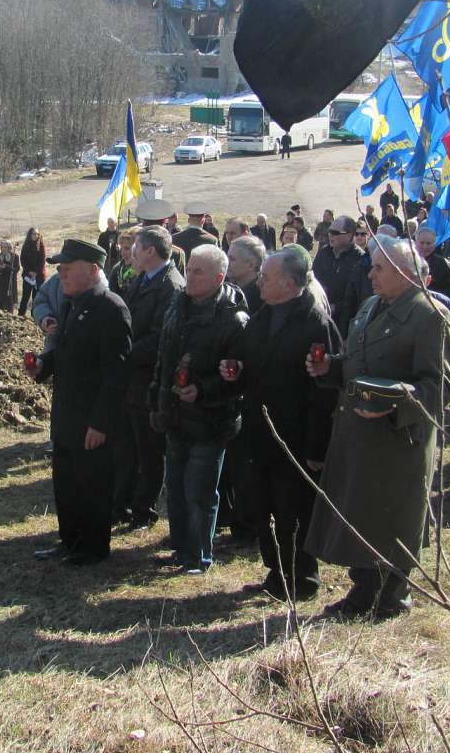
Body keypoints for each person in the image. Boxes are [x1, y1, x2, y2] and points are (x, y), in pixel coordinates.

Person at [305, 234, 450, 619]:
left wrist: (394, 403)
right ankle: (364, 590)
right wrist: (331, 368)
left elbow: (439, 387)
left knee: (394, 517)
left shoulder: (430, 315)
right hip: (358, 432)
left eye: (378, 268)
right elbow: (359, 360)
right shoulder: (371, 306)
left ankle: (392, 597)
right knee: (363, 513)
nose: (370, 274)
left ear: (406, 272)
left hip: (399, 438)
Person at [222, 248, 340, 602]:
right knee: (264, 507)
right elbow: (246, 364)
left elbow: (325, 392)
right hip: (260, 431)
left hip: (296, 435)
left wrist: (317, 447)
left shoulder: (315, 323)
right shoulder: (262, 317)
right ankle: (277, 571)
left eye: (266, 277)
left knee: (294, 510)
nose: (259, 281)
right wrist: (234, 372)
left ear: (289, 284)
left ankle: (302, 578)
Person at [27, 238, 131, 565]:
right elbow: (67, 351)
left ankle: (93, 548)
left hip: (91, 421)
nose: (62, 276)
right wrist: (45, 365)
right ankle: (70, 541)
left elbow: (117, 373)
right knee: (67, 486)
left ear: (93, 270)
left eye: (68, 270)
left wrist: (101, 423)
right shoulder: (72, 303)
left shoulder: (111, 309)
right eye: (60, 269)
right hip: (66, 415)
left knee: (93, 486)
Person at [150, 245, 248, 574]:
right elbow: (162, 360)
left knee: (200, 491)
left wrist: (203, 391)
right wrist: (157, 399)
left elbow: (237, 378)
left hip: (210, 421)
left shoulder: (233, 319)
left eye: (198, 272)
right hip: (175, 415)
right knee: (175, 489)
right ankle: (181, 548)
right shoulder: (177, 307)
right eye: (189, 269)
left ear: (219, 278)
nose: (189, 276)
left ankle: (199, 555)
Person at [117, 226, 184, 528]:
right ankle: (124, 504)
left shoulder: (171, 286)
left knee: (149, 451)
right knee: (129, 448)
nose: (131, 251)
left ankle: (144, 510)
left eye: (137, 246)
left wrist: (123, 351)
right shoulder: (143, 277)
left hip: (150, 382)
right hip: (131, 380)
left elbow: (161, 339)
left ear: (150, 252)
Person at [313, 215, 364, 333]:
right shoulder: (324, 253)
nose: (330, 235)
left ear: (350, 235)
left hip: (344, 325)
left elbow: (360, 298)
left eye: (335, 232)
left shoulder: (360, 259)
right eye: (330, 231)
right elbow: (312, 281)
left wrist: (336, 307)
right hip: (319, 318)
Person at [414, 227, 450, 301]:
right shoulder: (407, 260)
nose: (425, 246)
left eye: (428, 243)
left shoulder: (443, 264)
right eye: (422, 243)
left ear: (434, 245)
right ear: (416, 243)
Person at [227, 235, 266, 315]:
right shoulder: (227, 288)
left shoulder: (262, 297)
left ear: (251, 265)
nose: (227, 262)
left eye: (232, 259)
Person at [19, 228, 47, 316]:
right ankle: (21, 314)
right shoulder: (26, 246)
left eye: (37, 234)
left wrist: (36, 272)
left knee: (36, 298)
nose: (35, 236)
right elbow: (23, 260)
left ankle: (34, 316)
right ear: (29, 235)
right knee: (25, 296)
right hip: (28, 276)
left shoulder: (41, 245)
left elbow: (42, 260)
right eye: (33, 234)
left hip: (39, 276)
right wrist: (29, 271)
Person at [0, 239, 21, 313]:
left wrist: (6, 267)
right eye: (2, 247)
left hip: (9, 285)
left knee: (8, 308)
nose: (3, 249)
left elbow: (16, 269)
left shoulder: (14, 257)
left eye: (5, 247)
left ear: (9, 247)